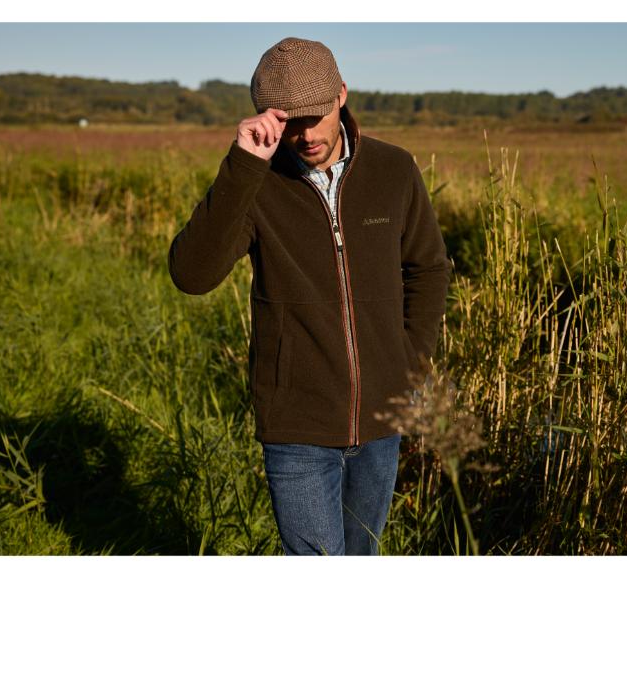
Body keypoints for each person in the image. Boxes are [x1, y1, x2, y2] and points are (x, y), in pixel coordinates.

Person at [168, 37, 451, 555]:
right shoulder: (255, 181)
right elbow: (192, 274)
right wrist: (243, 165)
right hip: (295, 425)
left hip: (382, 420)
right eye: (288, 122)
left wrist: (408, 366)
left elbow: (428, 269)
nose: (305, 135)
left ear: (341, 94)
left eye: (315, 117)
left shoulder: (393, 169)